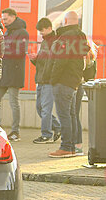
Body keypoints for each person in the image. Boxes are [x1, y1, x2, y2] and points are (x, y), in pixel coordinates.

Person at [47, 10, 89, 158]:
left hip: (63, 81)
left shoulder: (66, 37)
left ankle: (65, 147)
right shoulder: (81, 36)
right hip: (74, 81)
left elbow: (60, 60)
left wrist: (53, 78)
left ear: (65, 21)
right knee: (71, 115)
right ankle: (71, 147)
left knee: (64, 115)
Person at [0, 8, 29, 142]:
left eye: (6, 19)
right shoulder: (8, 32)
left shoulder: (22, 32)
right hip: (3, 72)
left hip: (14, 72)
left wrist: (2, 51)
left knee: (14, 101)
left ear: (13, 17)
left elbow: (20, 52)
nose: (4, 21)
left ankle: (15, 131)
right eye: (3, 19)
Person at [31, 17, 61, 144]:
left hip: (49, 80)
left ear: (49, 28)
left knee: (45, 108)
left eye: (42, 30)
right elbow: (43, 62)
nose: (40, 33)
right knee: (39, 107)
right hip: (41, 79)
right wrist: (35, 59)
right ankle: (58, 127)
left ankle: (46, 134)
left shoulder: (54, 42)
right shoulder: (44, 42)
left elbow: (52, 61)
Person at [73, 39, 98, 155]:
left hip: (74, 85)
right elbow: (92, 75)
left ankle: (74, 146)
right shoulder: (91, 58)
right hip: (82, 85)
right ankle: (78, 146)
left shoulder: (79, 56)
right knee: (75, 115)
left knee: (72, 115)